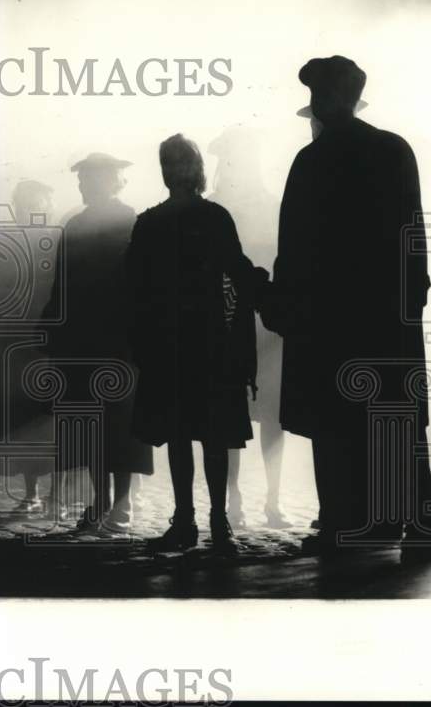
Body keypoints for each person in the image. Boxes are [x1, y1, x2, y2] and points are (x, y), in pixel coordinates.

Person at [260, 55, 431, 558]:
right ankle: (419, 521)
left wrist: (282, 303)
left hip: (328, 322)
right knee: (395, 419)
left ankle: (348, 521)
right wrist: (410, 298)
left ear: (321, 103)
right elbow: (414, 234)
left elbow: (294, 248)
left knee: (335, 426)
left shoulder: (312, 160)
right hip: (385, 317)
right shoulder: (392, 149)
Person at [126, 135, 258, 555]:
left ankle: (188, 521)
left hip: (172, 342)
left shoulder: (150, 223)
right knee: (210, 436)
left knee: (182, 435)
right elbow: (236, 272)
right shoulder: (215, 217)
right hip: (208, 339)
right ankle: (217, 523)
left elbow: (136, 289)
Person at [44, 153, 153, 533]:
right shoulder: (74, 225)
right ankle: (99, 500)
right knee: (90, 423)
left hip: (120, 337)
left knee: (121, 424)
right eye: (81, 179)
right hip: (82, 337)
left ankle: (121, 504)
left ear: (114, 181)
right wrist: (54, 325)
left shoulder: (131, 222)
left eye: (91, 178)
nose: (83, 185)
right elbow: (60, 282)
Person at [208, 128, 290, 528]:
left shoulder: (271, 205)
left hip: (264, 317)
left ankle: (272, 500)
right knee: (231, 413)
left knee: (273, 413)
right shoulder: (216, 207)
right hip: (229, 320)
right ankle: (233, 499)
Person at [0, 179, 66, 516]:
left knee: (56, 413)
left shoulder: (60, 239)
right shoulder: (5, 241)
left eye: (38, 201)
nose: (32, 208)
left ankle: (58, 492)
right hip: (17, 340)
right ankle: (31, 491)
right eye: (26, 202)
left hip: (53, 338)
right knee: (23, 416)